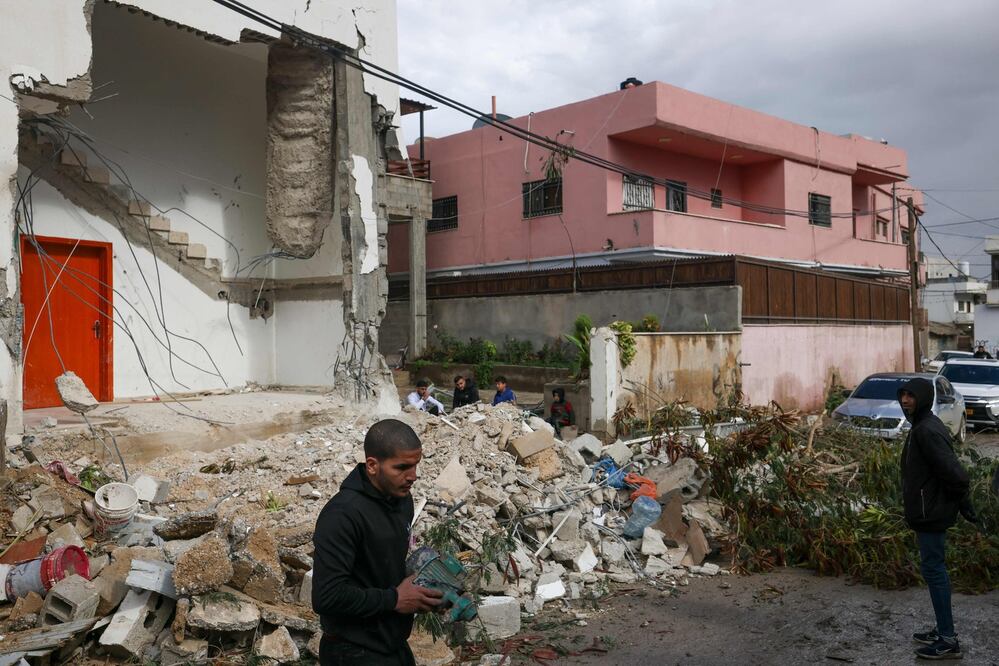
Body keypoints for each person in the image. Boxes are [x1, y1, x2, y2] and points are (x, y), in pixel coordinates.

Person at [312, 419, 443, 665]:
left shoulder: (401, 500)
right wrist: (394, 599)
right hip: (352, 651)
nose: (412, 476)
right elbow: (326, 597)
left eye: (416, 466)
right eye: (402, 467)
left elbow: (381, 567)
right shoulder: (342, 515)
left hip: (392, 645)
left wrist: (427, 593)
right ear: (372, 465)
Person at [897, 377, 973, 660]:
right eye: (902, 395)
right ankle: (943, 629)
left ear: (924, 399)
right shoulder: (924, 424)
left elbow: (954, 473)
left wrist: (964, 502)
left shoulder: (926, 430)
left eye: (911, 396)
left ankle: (948, 639)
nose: (905, 400)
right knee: (933, 570)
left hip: (932, 513)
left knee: (934, 571)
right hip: (928, 510)